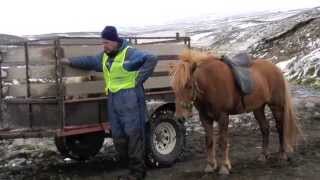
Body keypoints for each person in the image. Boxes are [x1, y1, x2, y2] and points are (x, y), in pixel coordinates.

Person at [63, 26, 158, 180]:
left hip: (131, 100)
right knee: (119, 139)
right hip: (114, 100)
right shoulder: (105, 56)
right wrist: (69, 61)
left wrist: (138, 79)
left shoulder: (130, 53)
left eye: (106, 42)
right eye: (103, 43)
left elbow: (151, 58)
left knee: (134, 137)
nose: (104, 46)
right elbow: (91, 61)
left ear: (114, 41)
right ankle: (131, 170)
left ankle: (137, 174)